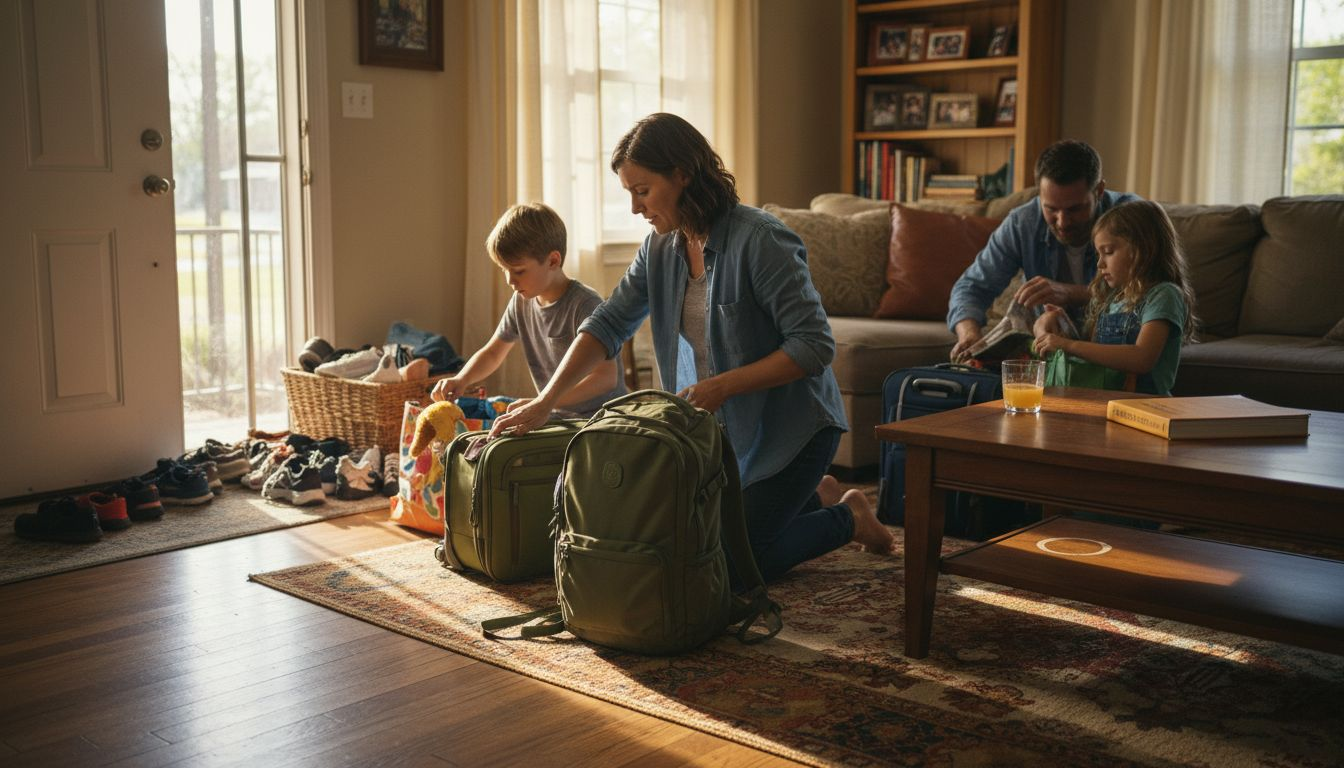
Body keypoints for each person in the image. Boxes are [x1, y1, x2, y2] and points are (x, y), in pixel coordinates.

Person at [489, 112, 895, 582]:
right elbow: (608, 323)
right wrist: (546, 401)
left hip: (794, 432)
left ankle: (849, 516)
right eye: (629, 193)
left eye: (643, 191)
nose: (636, 208)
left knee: (733, 565)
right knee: (685, 543)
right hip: (722, 436)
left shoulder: (761, 239)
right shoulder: (659, 248)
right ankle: (814, 496)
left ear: (682, 174)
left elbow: (813, 346)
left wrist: (723, 386)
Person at [948, 139, 1142, 362]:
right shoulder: (1023, 223)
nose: (1062, 222)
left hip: (1116, 349)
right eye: (1051, 208)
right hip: (1048, 353)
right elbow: (971, 287)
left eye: (1075, 209)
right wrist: (969, 334)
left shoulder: (1132, 216)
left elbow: (1152, 292)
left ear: (1098, 190)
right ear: (1039, 194)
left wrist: (1071, 293)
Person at [430, 202, 625, 417]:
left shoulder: (585, 304)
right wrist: (462, 379)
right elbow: (493, 353)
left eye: (519, 271)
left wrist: (544, 401)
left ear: (553, 261)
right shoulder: (521, 302)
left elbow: (606, 378)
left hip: (602, 416)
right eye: (504, 270)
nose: (510, 280)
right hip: (554, 413)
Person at [1033, 200, 1197, 395]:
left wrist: (1069, 345)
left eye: (1108, 252)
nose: (1100, 264)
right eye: (1098, 254)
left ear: (1143, 249)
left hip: (1146, 404)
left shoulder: (1163, 295)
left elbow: (1142, 358)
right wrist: (1064, 327)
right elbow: (1095, 355)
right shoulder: (1110, 298)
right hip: (1105, 401)